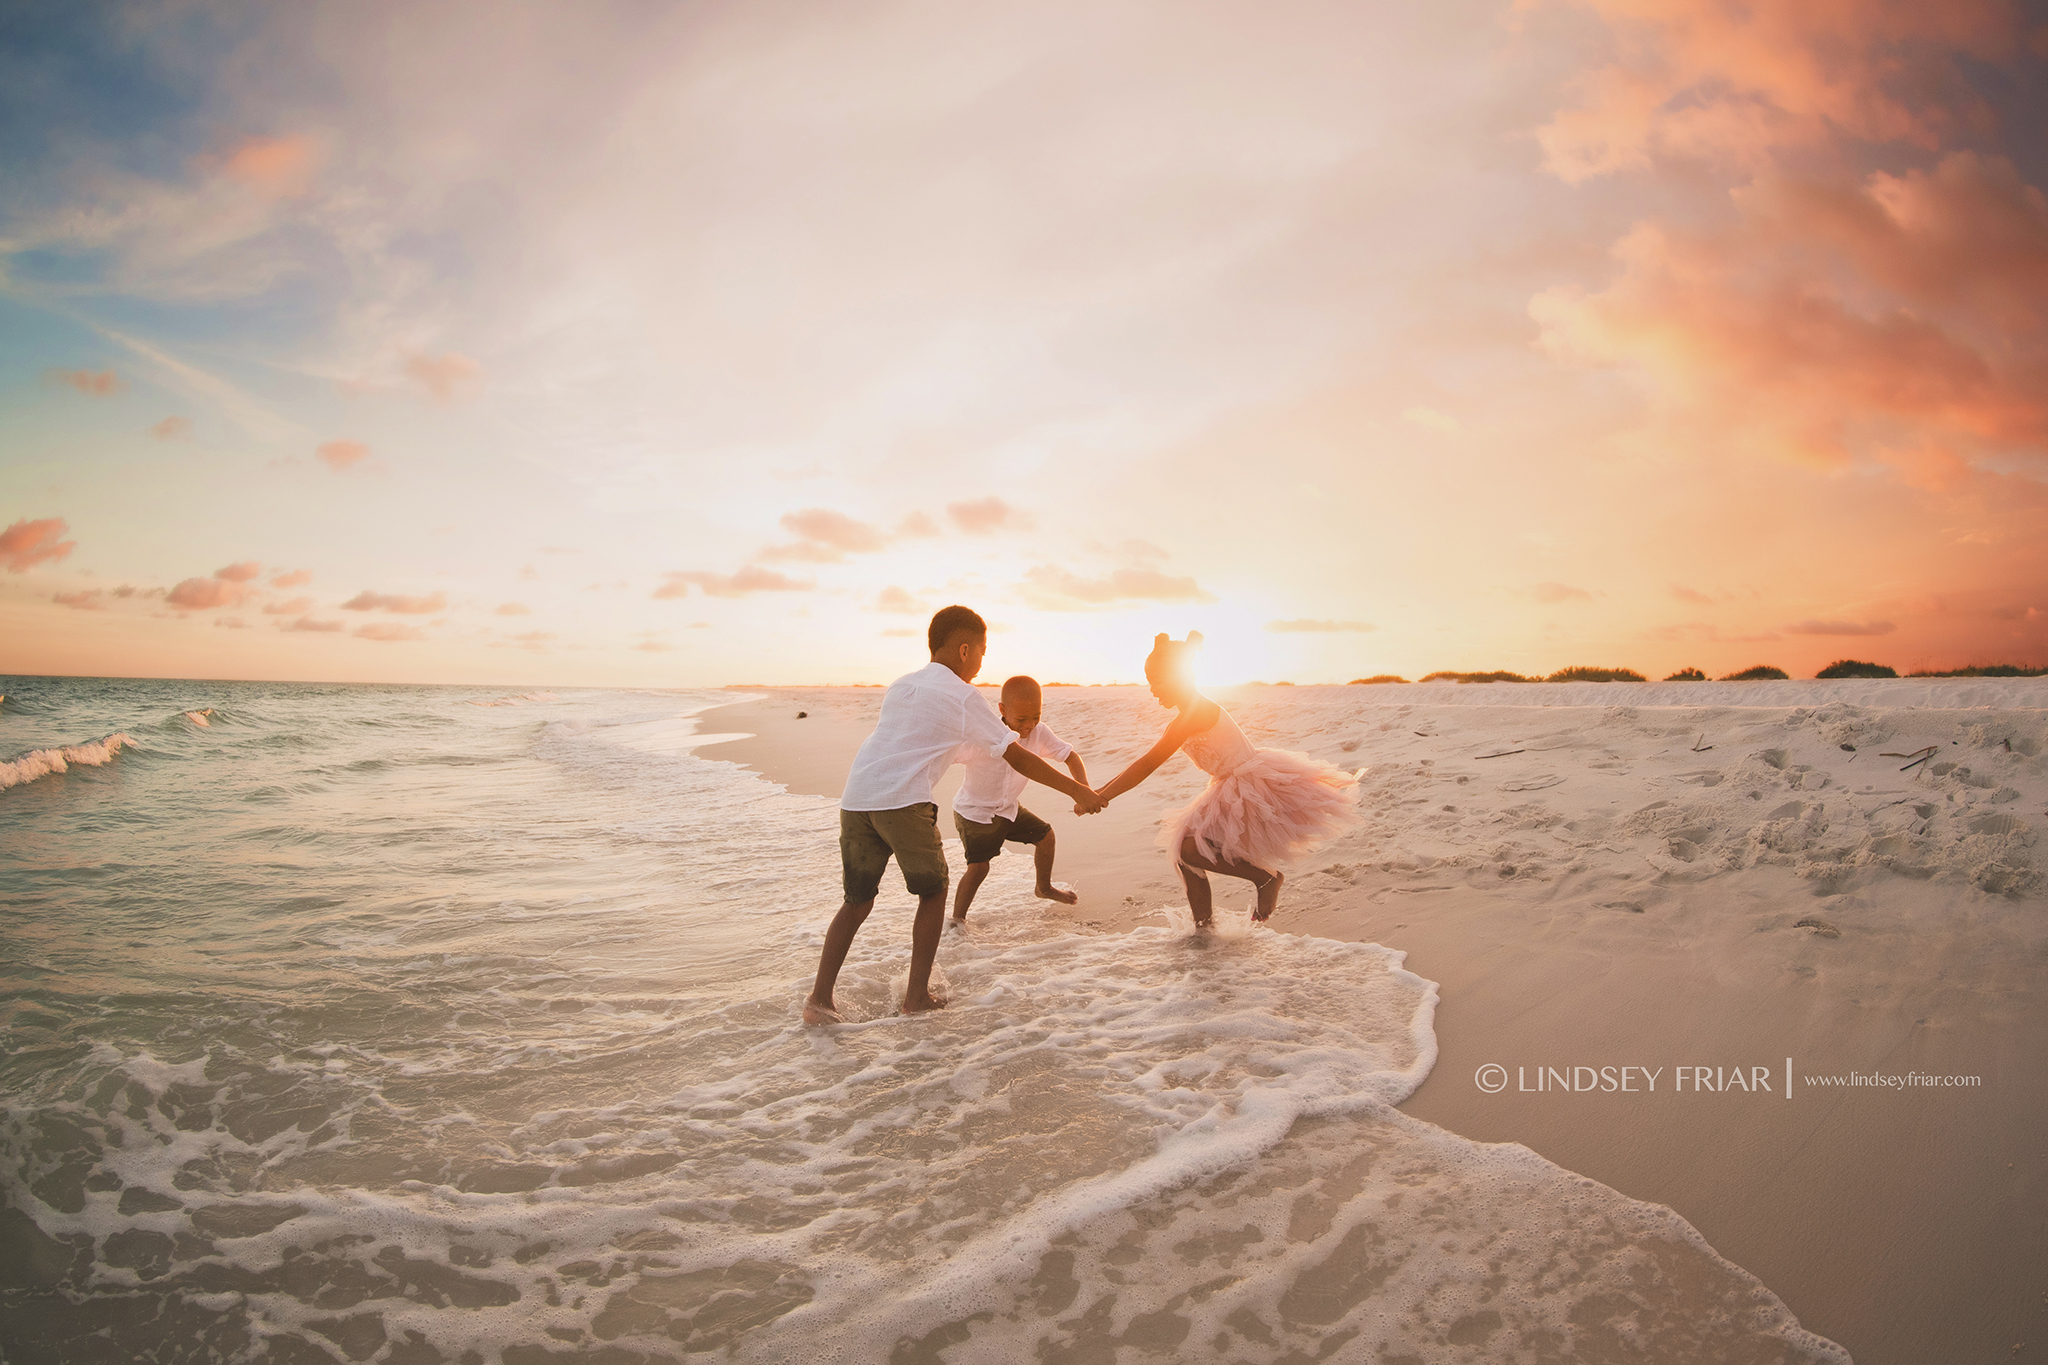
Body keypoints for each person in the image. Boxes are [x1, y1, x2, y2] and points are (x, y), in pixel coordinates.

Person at [804, 606, 1104, 1023]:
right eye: (982, 651)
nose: (983, 662)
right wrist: (1078, 790)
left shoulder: (901, 685)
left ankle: (818, 1001)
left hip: (856, 799)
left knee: (856, 902)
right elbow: (1016, 755)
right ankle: (916, 998)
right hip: (902, 802)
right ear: (965, 649)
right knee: (933, 891)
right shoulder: (963, 696)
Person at [1092, 632, 1359, 927]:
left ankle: (1266, 878)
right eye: (1149, 682)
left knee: (1189, 849)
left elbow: (1147, 764)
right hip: (1227, 785)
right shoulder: (1184, 716)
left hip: (1250, 785)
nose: (1153, 690)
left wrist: (1102, 796)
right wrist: (1095, 792)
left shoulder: (1195, 712)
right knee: (1185, 853)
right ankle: (1204, 929)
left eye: (1158, 681)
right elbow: (1144, 762)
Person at [950, 675, 1087, 922]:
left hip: (1008, 809)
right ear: (1002, 710)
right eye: (1021, 719)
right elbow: (942, 755)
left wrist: (1083, 790)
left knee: (1046, 837)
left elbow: (1070, 756)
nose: (1029, 725)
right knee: (979, 867)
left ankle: (1043, 888)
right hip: (974, 812)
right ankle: (956, 922)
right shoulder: (982, 734)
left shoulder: (1040, 733)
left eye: (1036, 717)